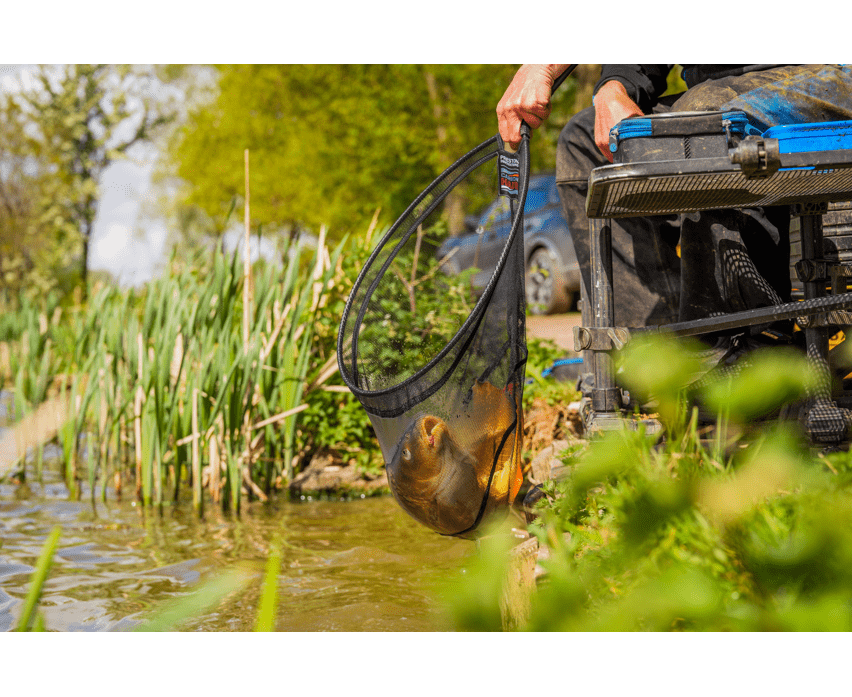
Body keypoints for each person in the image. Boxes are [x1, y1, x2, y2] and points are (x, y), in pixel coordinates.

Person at [497, 65, 852, 346]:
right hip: (720, 90)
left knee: (703, 120)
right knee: (585, 140)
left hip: (825, 70)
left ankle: (735, 350)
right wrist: (614, 87)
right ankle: (659, 370)